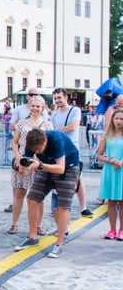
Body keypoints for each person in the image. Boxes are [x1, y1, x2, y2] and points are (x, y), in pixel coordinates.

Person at [14, 128, 81, 259]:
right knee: (32, 198)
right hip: (47, 166)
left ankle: (59, 244)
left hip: (68, 167)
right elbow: (28, 169)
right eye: (35, 150)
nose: (37, 152)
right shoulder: (31, 144)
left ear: (45, 140)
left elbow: (61, 168)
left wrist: (40, 165)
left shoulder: (57, 140)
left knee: (63, 205)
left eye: (39, 149)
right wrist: (22, 169)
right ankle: (32, 237)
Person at [7, 95, 48, 235]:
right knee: (19, 193)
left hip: (38, 160)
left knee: (39, 195)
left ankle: (39, 224)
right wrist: (18, 156)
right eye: (33, 105)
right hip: (23, 159)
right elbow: (14, 141)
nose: (35, 108)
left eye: (38, 106)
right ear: (29, 107)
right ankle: (14, 223)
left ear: (42, 108)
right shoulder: (22, 123)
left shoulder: (46, 124)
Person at [49, 88, 92, 217]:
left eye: (59, 98)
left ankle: (83, 207)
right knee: (57, 176)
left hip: (72, 148)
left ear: (66, 97)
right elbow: (52, 129)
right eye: (55, 98)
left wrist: (56, 131)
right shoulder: (54, 114)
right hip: (59, 149)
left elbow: (73, 127)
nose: (57, 101)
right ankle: (58, 206)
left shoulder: (75, 110)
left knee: (77, 178)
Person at [97, 108, 123, 239]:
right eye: (116, 118)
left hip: (121, 170)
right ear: (112, 120)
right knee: (111, 201)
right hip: (110, 170)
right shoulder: (107, 135)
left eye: (121, 119)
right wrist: (109, 160)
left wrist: (121, 162)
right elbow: (99, 155)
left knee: (122, 201)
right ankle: (112, 229)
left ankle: (122, 230)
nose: (119, 121)